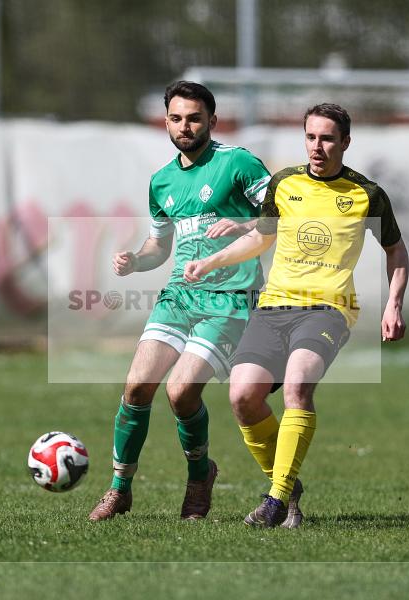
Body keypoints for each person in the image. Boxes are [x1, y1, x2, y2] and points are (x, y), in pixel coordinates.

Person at [184, 103, 409, 528]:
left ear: (345, 141)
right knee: (242, 397)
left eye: (327, 138)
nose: (317, 147)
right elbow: (260, 238)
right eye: (310, 137)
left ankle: (274, 500)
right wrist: (211, 263)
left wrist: (394, 302)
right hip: (274, 307)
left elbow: (395, 251)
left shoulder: (367, 194)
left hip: (328, 309)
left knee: (297, 389)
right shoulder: (285, 183)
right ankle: (287, 487)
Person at [88, 81, 271, 521]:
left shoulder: (238, 163)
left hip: (229, 298)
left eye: (193, 117)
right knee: (136, 387)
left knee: (181, 392)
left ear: (212, 119)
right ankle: (119, 489)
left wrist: (243, 224)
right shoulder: (162, 180)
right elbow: (159, 245)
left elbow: (280, 217)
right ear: (166, 121)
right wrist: (135, 260)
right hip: (178, 296)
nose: (184, 126)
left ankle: (198, 476)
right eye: (176, 118)